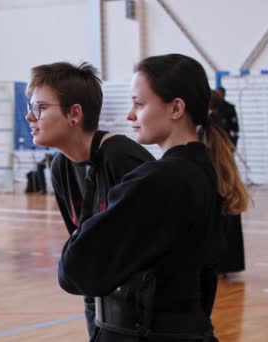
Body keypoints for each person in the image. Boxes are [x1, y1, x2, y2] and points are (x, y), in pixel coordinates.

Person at [58, 54, 250, 341]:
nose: (130, 115)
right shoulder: (208, 171)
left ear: (175, 108)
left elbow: (76, 270)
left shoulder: (157, 181)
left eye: (139, 103)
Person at [25, 61, 155, 339]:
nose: (30, 117)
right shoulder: (61, 166)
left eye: (40, 108)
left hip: (145, 308)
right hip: (100, 299)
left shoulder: (121, 157)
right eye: (30, 108)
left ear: (74, 114)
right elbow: (81, 243)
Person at [209, 90, 246, 276]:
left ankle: (224, 265)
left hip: (219, 178)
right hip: (224, 176)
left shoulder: (211, 127)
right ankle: (226, 265)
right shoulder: (212, 126)